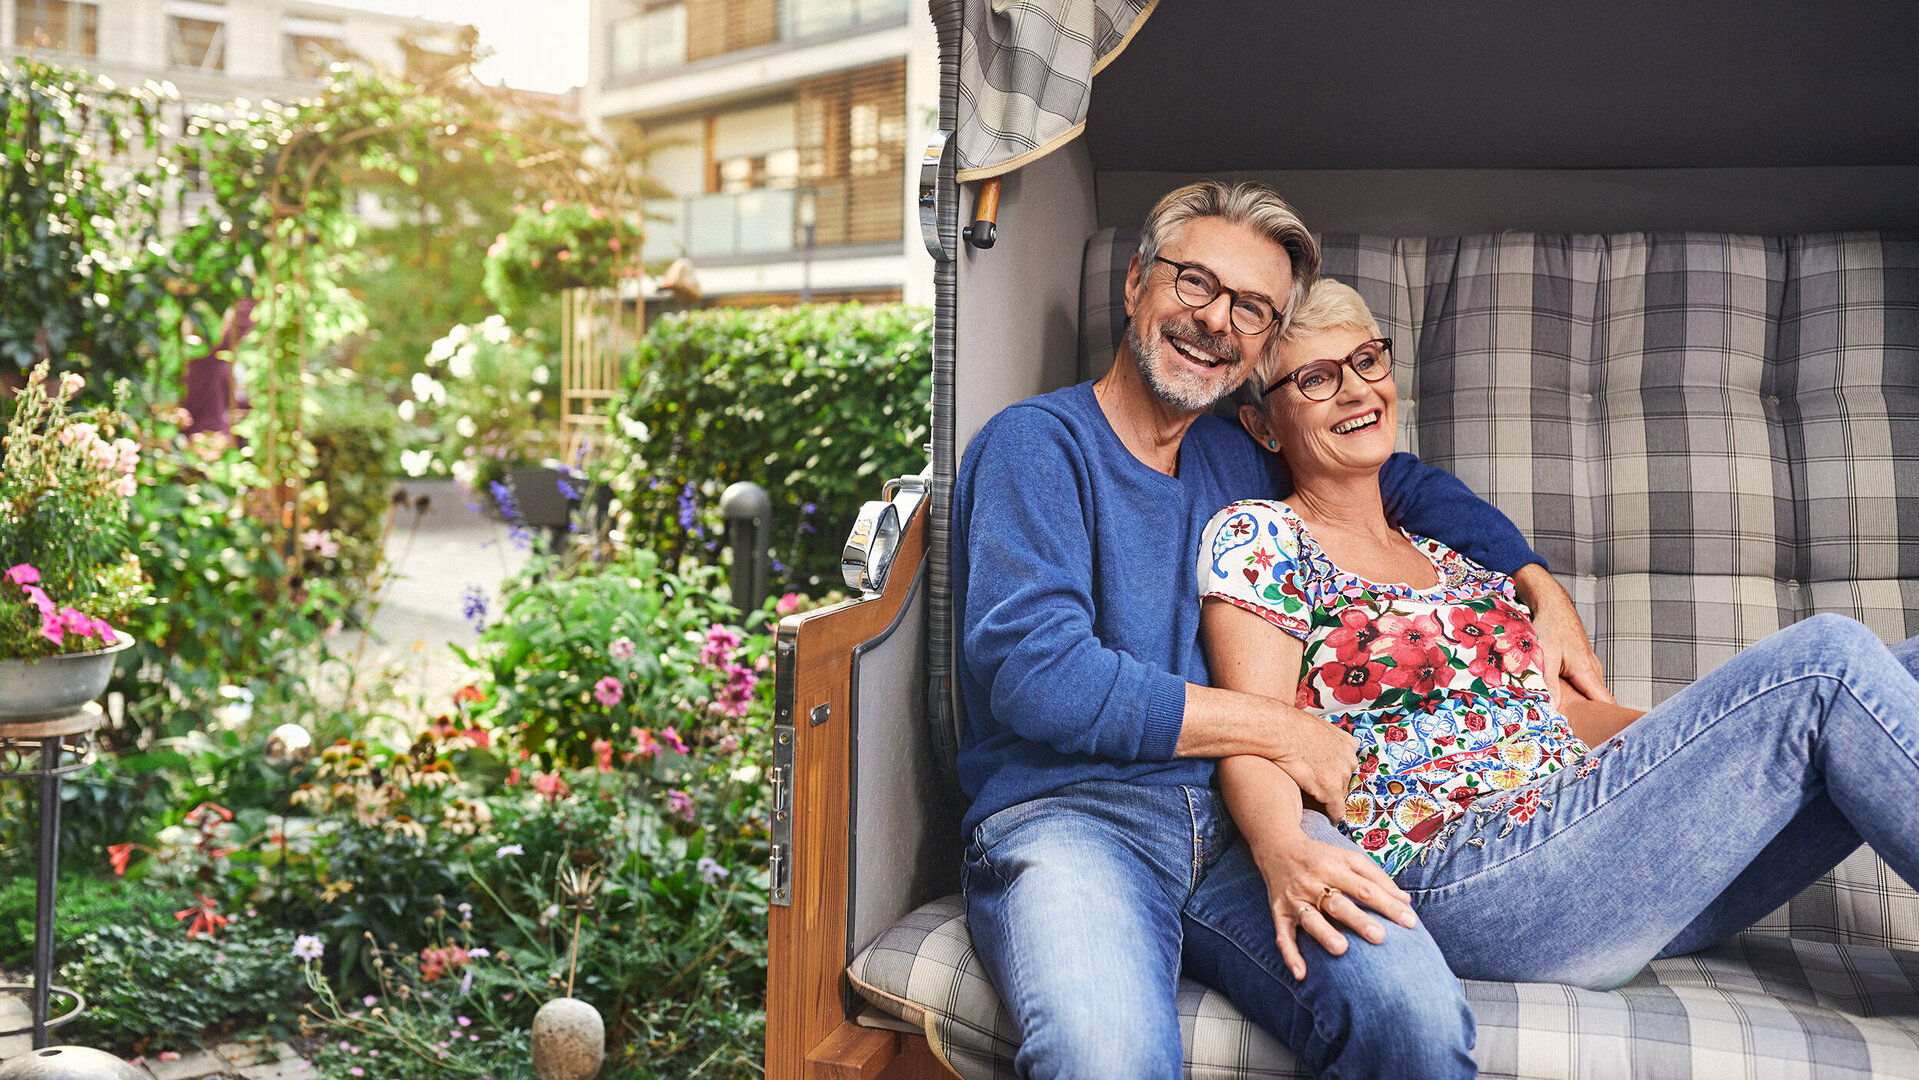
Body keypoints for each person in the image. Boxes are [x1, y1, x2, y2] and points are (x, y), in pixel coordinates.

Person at [953, 180, 1609, 1079]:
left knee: (1412, 1017)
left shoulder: (1239, 455)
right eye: (1195, 284)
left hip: (1240, 822)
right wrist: (1277, 728)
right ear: (1137, 281)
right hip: (1075, 821)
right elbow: (1040, 678)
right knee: (1102, 1054)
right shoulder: (1035, 444)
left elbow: (1396, 479)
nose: (1217, 319)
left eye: (1252, 309)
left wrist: (1538, 583)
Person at [1198, 278, 1919, 991]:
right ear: (1264, 425)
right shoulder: (1263, 537)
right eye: (1317, 379)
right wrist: (1281, 847)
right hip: (1467, 871)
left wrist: (1715, 755)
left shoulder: (1454, 557)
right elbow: (1253, 731)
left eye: (1366, 361)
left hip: (1591, 850)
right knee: (1828, 660)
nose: (1356, 390)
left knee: (1901, 672)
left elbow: (1566, 716)